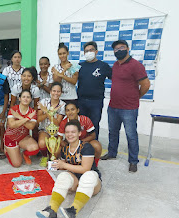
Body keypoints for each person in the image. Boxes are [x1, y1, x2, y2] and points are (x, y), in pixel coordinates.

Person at [36, 120, 101, 218]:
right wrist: (57, 165)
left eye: (73, 132)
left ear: (79, 133)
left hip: (92, 184)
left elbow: (85, 169)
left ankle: (73, 211)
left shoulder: (86, 147)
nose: (70, 135)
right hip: (76, 182)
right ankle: (52, 209)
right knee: (63, 176)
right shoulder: (65, 149)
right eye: (67, 132)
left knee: (88, 175)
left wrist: (64, 165)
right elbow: (65, 165)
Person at [101, 40, 151, 173]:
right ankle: (112, 153)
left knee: (131, 135)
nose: (119, 51)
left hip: (129, 108)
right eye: (116, 49)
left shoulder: (136, 65)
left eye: (121, 48)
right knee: (113, 132)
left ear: (128, 49)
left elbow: (146, 84)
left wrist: (136, 96)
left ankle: (133, 161)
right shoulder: (116, 65)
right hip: (113, 106)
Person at [76, 41, 112, 139]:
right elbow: (70, 78)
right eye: (86, 51)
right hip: (81, 101)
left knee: (94, 125)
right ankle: (81, 146)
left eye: (91, 50)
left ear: (96, 51)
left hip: (96, 102)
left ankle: (93, 148)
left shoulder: (103, 66)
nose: (89, 52)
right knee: (81, 125)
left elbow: (115, 78)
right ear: (84, 53)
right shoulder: (79, 65)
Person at [58, 101, 102, 166]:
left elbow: (93, 135)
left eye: (72, 109)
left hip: (84, 141)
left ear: (78, 110)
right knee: (57, 149)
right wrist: (66, 146)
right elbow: (59, 138)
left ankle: (94, 164)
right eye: (68, 110)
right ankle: (64, 162)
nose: (70, 112)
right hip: (70, 143)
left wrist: (79, 144)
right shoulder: (63, 123)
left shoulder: (85, 120)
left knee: (97, 146)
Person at [4, 90, 39, 167]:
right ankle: (7, 151)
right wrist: (27, 119)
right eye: (23, 97)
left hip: (23, 137)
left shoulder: (32, 112)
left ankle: (24, 154)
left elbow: (31, 127)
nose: (25, 99)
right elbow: (12, 125)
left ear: (31, 100)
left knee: (34, 148)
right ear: (19, 99)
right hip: (11, 138)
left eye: (28, 97)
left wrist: (19, 117)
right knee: (17, 164)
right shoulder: (13, 109)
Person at [37, 82, 66, 167]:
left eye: (58, 91)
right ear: (50, 91)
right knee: (42, 143)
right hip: (44, 130)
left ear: (61, 93)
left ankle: (51, 157)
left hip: (56, 133)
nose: (56, 93)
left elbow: (57, 123)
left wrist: (47, 112)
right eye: (54, 91)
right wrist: (48, 113)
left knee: (56, 152)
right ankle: (44, 156)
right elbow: (38, 119)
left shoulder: (63, 105)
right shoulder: (43, 102)